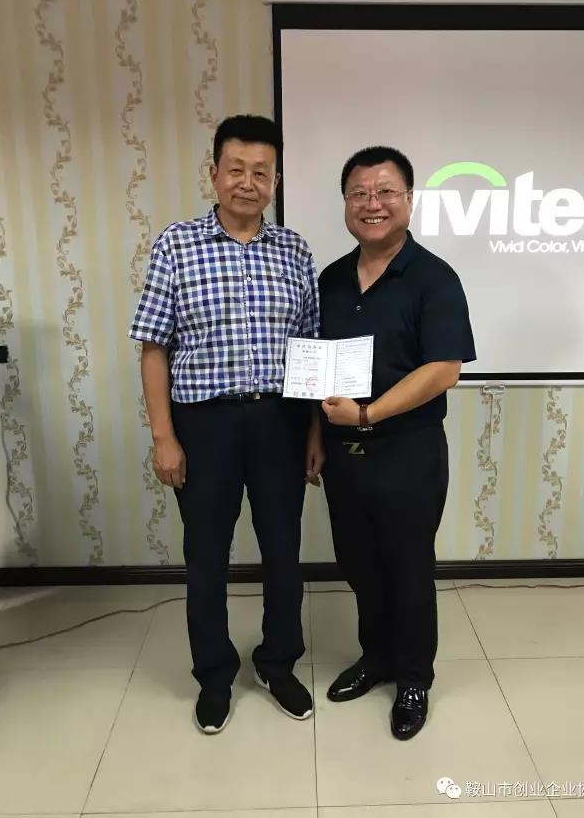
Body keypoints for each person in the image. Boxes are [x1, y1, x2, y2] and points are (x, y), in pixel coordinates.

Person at [129, 115, 323, 734]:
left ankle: (277, 662)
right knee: (206, 555)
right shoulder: (177, 244)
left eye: (261, 172)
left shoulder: (295, 250)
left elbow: (310, 352)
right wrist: (164, 436)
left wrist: (314, 432)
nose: (248, 182)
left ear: (276, 181)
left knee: (283, 551)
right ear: (213, 173)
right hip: (203, 425)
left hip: (279, 422)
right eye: (235, 169)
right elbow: (153, 346)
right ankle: (214, 674)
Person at [318, 146, 476, 740]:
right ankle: (376, 656)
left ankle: (413, 678)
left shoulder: (434, 278)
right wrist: (317, 435)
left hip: (409, 450)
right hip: (342, 453)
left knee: (408, 568)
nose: (372, 204)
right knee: (359, 562)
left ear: (409, 200)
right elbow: (318, 369)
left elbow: (444, 369)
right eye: (359, 193)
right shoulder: (331, 280)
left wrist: (368, 414)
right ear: (346, 203)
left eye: (385, 192)